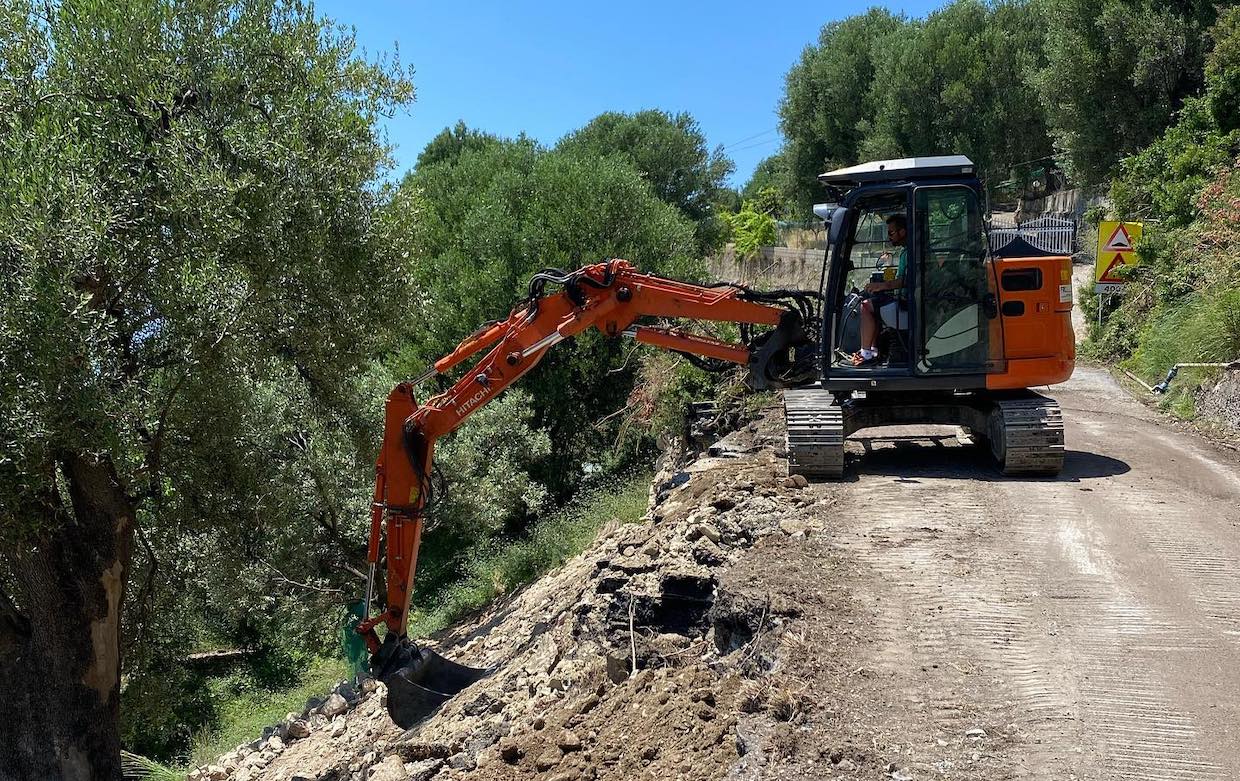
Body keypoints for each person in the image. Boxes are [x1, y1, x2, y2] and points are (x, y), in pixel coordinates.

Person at [852, 214, 908, 365]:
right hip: (904, 299)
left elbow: (907, 280)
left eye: (891, 233)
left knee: (865, 306)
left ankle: (866, 353)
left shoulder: (910, 253)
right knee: (875, 305)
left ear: (902, 232)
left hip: (907, 304)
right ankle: (874, 350)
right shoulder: (907, 251)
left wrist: (882, 286)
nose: (889, 237)